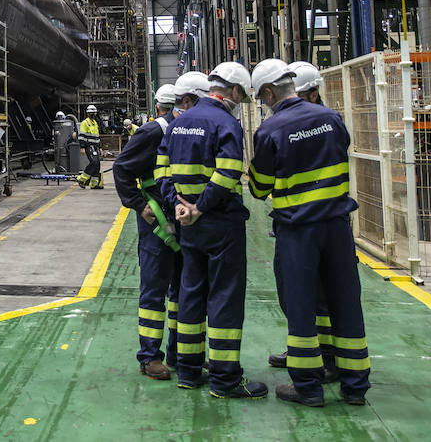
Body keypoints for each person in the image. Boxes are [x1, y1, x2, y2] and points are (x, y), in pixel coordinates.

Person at [249, 59, 369, 408]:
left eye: (262, 97)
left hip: (298, 231)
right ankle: (355, 386)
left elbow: (258, 188)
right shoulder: (331, 119)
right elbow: (341, 150)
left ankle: (308, 387)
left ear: (270, 93)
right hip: (336, 227)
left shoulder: (270, 130)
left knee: (301, 306)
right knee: (345, 302)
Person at [158, 61, 267, 399]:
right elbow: (229, 174)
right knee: (223, 297)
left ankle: (189, 372)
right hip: (220, 223)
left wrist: (179, 206)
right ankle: (225, 379)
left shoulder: (179, 123)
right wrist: (201, 206)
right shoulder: (226, 124)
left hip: (187, 225)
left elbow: (161, 171)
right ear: (233, 91)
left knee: (191, 293)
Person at [113, 82, 185, 379]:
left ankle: (181, 351)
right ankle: (150, 357)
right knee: (155, 288)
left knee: (182, 288)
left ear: (157, 105)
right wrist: (140, 205)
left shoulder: (184, 129)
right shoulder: (152, 132)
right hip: (156, 220)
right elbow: (122, 168)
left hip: (181, 217)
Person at [267, 58, 334, 374]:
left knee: (299, 292)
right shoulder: (331, 121)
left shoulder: (294, 127)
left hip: (299, 223)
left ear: (308, 94)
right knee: (318, 294)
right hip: (323, 221)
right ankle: (326, 356)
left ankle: (311, 359)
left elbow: (262, 179)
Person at [77, 104, 104, 188]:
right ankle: (81, 179)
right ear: (88, 113)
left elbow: (97, 136)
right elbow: (81, 136)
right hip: (89, 146)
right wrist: (82, 147)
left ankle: (94, 184)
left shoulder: (95, 123)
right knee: (94, 162)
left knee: (97, 165)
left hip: (95, 146)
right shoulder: (85, 123)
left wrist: (100, 148)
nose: (93, 115)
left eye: (94, 113)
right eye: (91, 113)